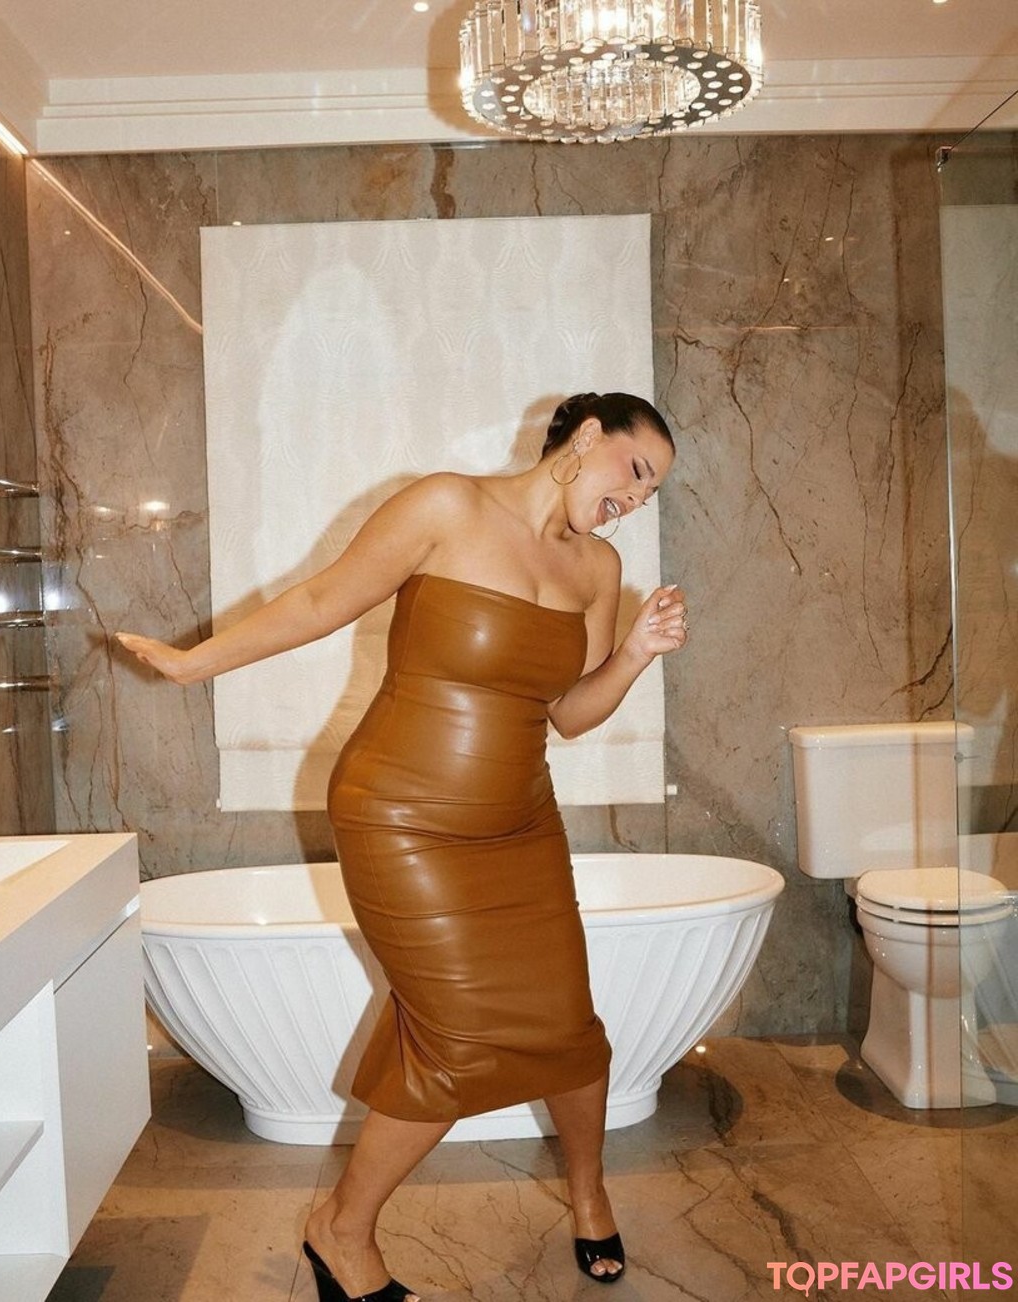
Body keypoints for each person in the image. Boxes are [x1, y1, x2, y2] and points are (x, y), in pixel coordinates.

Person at [116, 391, 689, 1302]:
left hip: (521, 824)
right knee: (458, 1040)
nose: (638, 497)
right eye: (637, 471)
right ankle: (341, 1229)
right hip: (402, 818)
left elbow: (570, 714)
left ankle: (589, 1196)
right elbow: (319, 600)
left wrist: (635, 654)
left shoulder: (598, 568)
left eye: (651, 491)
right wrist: (194, 663)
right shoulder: (446, 506)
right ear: (587, 437)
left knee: (570, 1028)